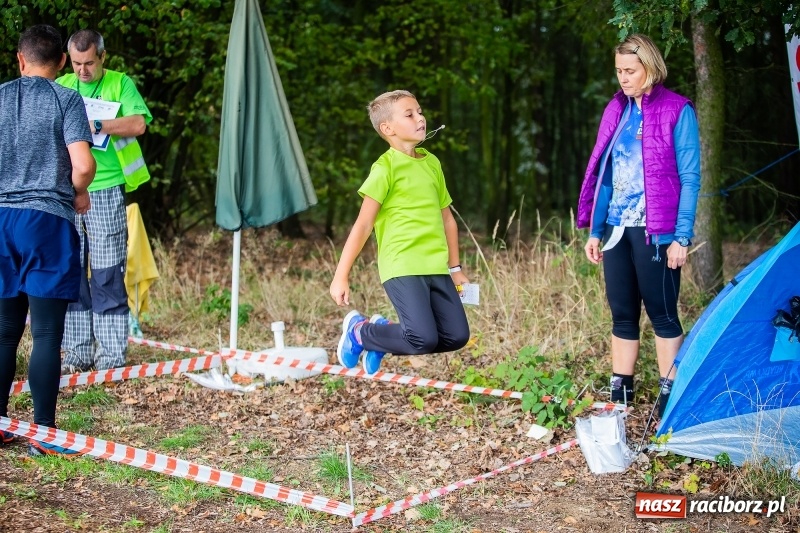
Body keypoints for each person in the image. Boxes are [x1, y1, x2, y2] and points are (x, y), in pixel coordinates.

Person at [576, 34, 701, 417]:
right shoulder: (616, 109)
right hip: (617, 231)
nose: (623, 78)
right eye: (619, 71)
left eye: (630, 70)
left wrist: (682, 237)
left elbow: (690, 178)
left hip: (658, 233)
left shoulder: (678, 110)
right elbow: (605, 176)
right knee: (622, 314)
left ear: (650, 67)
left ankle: (669, 403)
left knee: (663, 315)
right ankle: (621, 399)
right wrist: (595, 230)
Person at [0, 24, 95, 455]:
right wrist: (77, 191)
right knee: (46, 333)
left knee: (4, 332)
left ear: (20, 59)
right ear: (61, 62)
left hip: (2, 220)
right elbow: (84, 165)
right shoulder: (67, 98)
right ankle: (44, 435)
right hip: (46, 222)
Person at [330, 90, 470, 375]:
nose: (420, 118)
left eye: (420, 112)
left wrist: (455, 269)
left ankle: (380, 337)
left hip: (436, 265)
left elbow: (448, 220)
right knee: (422, 338)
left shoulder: (432, 163)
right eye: (409, 114)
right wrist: (341, 275)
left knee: (456, 336)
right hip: (402, 264)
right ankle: (360, 332)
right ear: (387, 128)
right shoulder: (385, 168)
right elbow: (363, 225)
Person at [56, 29, 152, 372]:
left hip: (107, 188)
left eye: (89, 63)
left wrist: (95, 124)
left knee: (107, 272)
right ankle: (77, 354)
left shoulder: (119, 83)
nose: (83, 70)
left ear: (103, 57)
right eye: (77, 63)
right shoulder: (62, 85)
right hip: (68, 191)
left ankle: (110, 358)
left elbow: (138, 124)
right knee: (71, 272)